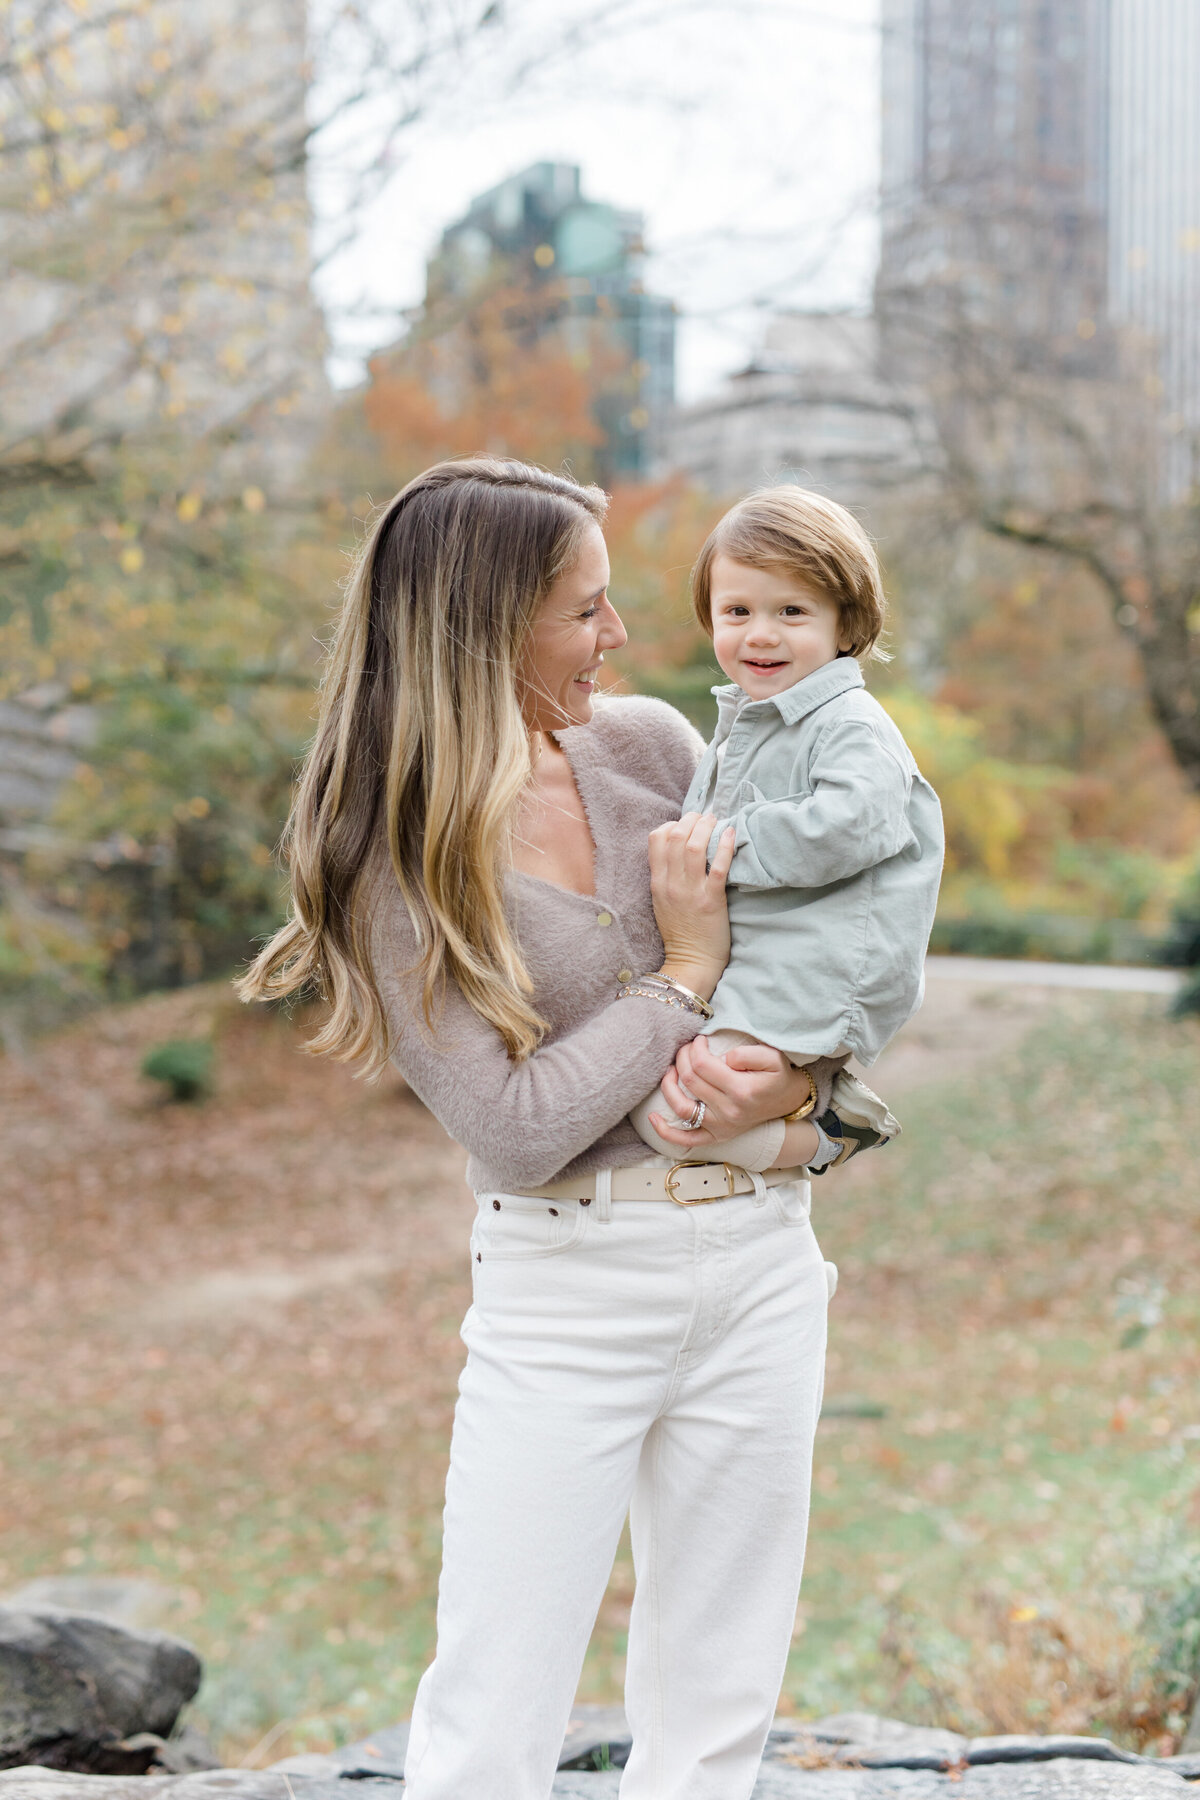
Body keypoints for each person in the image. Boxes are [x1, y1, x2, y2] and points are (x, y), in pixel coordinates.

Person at [239, 457, 850, 1800]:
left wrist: (809, 1103)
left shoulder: (656, 752)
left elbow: (814, 996)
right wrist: (681, 980)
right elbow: (517, 1129)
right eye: (586, 610)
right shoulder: (385, 846)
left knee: (717, 1700)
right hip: (566, 1286)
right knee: (493, 1706)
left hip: (758, 1258)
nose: (620, 637)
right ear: (484, 625)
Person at [629, 486, 943, 1176]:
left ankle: (835, 1131)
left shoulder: (849, 724)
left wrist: (719, 849)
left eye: (791, 612)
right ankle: (820, 1108)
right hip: (764, 963)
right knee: (659, 1087)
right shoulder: (749, 719)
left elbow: (851, 825)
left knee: (670, 1117)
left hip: (816, 969)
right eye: (736, 611)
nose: (760, 634)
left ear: (845, 623)